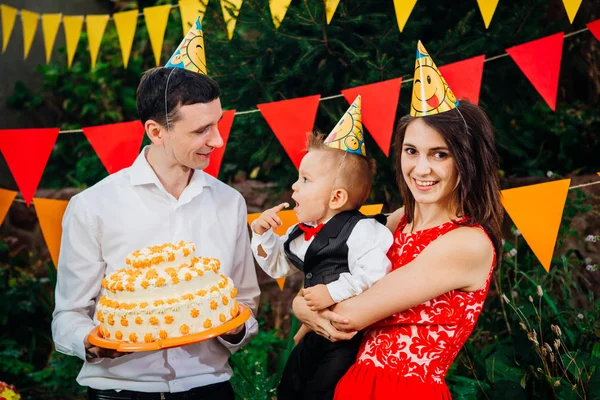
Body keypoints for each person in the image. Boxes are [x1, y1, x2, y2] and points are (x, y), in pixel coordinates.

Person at [292, 42, 504, 399]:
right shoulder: (395, 223)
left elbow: (348, 316)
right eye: (411, 151)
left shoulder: (466, 241)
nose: (421, 169)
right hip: (350, 381)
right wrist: (302, 305)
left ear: (467, 161)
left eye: (440, 154)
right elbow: (323, 280)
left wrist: (307, 308)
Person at [51, 65, 260, 399]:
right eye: (201, 130)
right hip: (120, 391)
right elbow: (68, 315)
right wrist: (92, 343)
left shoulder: (229, 202)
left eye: (218, 124)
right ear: (156, 131)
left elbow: (245, 300)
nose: (218, 140)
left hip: (208, 388)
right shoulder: (92, 206)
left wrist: (237, 329)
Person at [250, 96, 393, 400]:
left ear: (337, 198)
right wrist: (263, 236)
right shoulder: (300, 233)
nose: (294, 187)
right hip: (314, 332)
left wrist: (333, 292)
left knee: (322, 392)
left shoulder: (362, 231)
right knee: (291, 386)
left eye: (305, 180)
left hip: (349, 340)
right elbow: (278, 266)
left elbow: (377, 272)